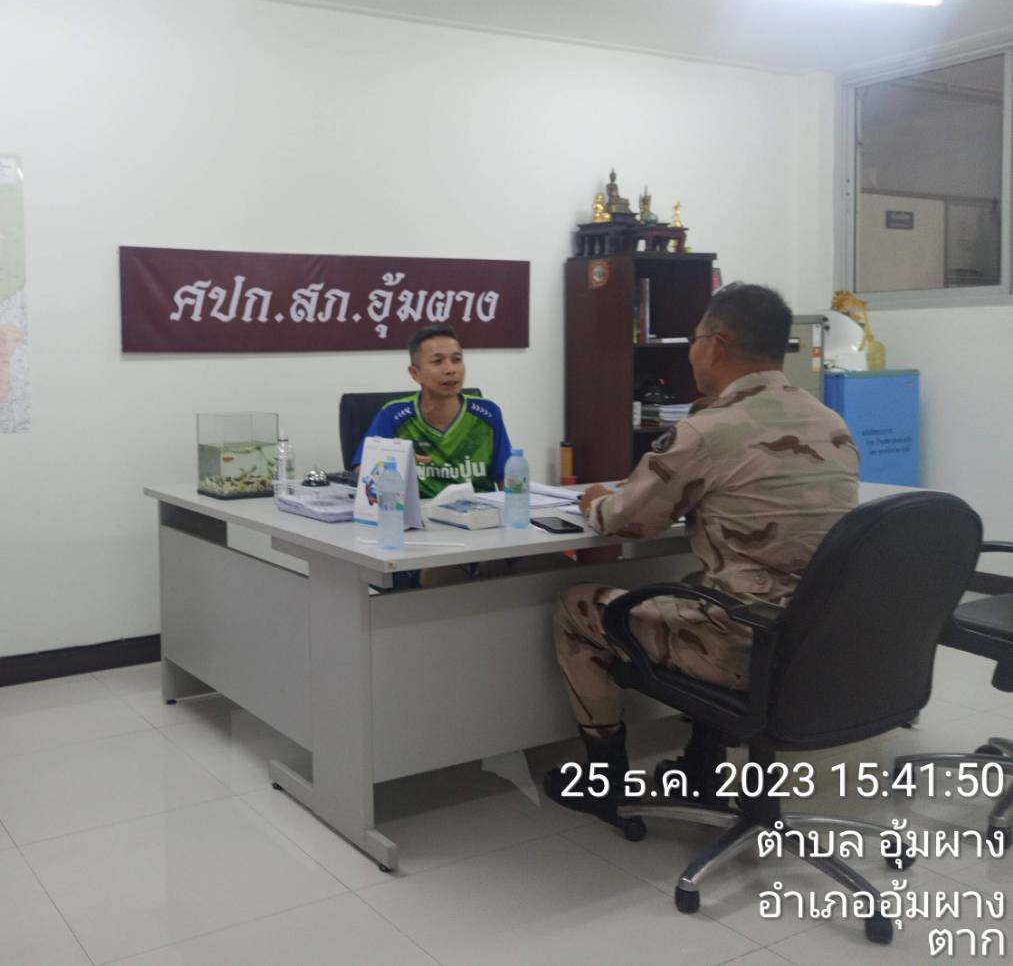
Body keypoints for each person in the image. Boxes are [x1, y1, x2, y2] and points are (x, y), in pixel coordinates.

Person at [543, 284, 859, 822]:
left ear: (716, 344)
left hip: (742, 648)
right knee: (699, 585)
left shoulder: (709, 429)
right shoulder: (830, 423)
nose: (692, 352)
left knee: (576, 606)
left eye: (694, 340)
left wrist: (595, 499)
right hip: (820, 644)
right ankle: (703, 764)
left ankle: (605, 778)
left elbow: (626, 521)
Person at [354, 323, 512, 498]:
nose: (451, 370)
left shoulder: (488, 414)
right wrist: (398, 460)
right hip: (418, 511)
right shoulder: (393, 415)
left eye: (456, 360)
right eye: (438, 361)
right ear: (415, 373)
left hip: (480, 511)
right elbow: (362, 473)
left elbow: (508, 478)